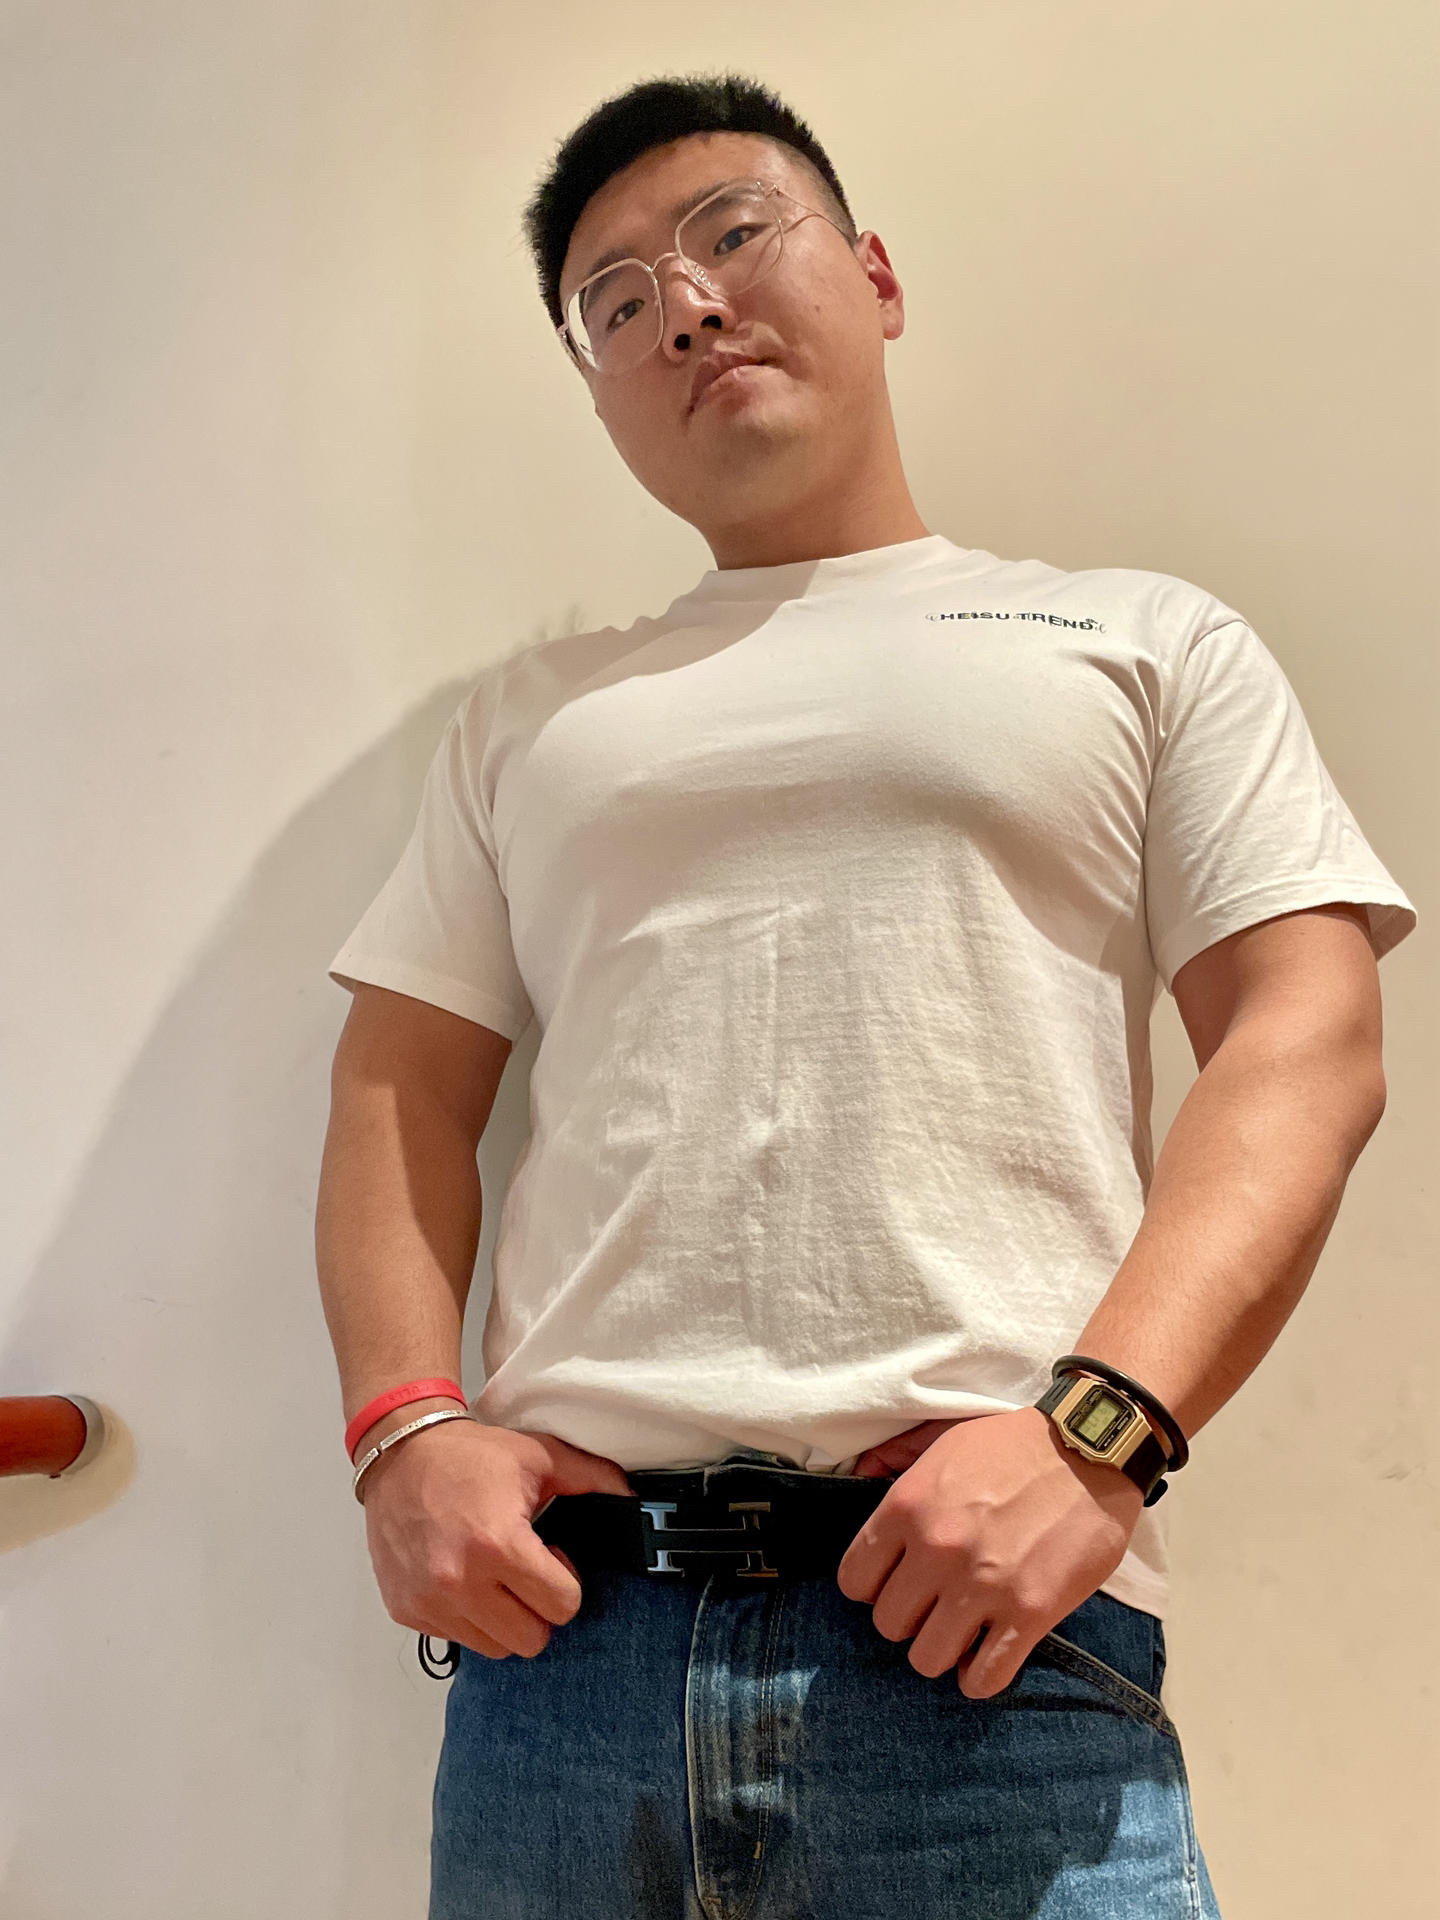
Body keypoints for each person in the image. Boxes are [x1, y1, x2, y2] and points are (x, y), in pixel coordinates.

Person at [314, 72, 1417, 1920]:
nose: (685, 303)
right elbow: (397, 1091)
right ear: (601, 391)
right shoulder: (530, 721)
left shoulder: (1139, 637)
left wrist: (1099, 1437)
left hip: (982, 1641)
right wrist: (403, 1437)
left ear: (878, 276)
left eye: (733, 234)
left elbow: (1303, 1039)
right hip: (567, 1651)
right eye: (615, 300)